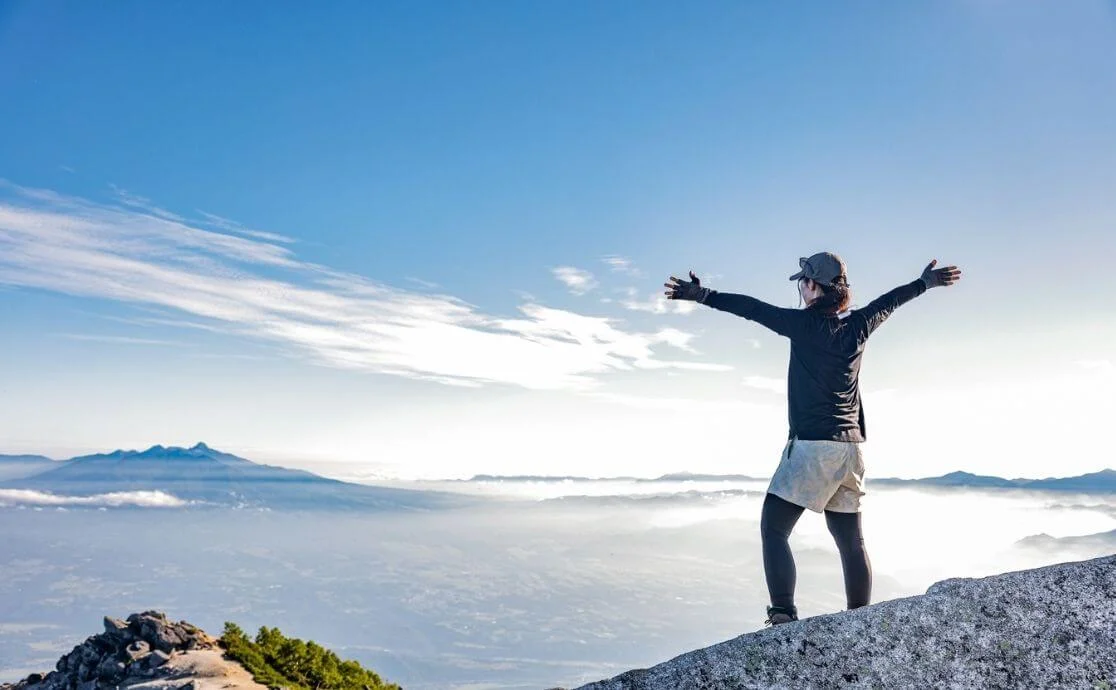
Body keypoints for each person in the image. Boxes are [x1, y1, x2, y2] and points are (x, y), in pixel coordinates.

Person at [664, 252, 961, 627]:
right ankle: (860, 620)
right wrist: (925, 283)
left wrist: (703, 295)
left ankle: (783, 613)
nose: (800, 289)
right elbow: (892, 301)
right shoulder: (860, 323)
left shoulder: (802, 324)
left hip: (812, 449)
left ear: (813, 286)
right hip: (851, 449)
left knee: (774, 528)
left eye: (802, 283)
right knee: (850, 540)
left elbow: (751, 309)